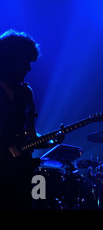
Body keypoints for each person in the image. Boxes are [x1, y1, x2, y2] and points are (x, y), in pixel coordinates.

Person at [0, 29, 60, 209]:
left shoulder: (26, 93)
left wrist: (52, 140)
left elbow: (31, 136)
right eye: (25, 62)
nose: (29, 68)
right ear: (10, 59)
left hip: (22, 175)